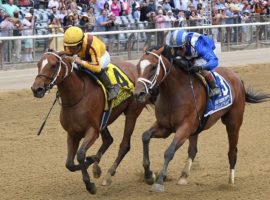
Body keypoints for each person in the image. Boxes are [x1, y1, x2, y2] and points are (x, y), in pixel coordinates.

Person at [63, 26, 120, 101]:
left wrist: (80, 61)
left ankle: (111, 88)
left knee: (94, 70)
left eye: (72, 47)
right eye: (68, 47)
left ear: (80, 44)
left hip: (102, 56)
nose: (69, 49)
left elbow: (97, 67)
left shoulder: (92, 44)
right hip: (86, 57)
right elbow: (67, 53)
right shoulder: (70, 43)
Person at [166, 29, 222, 97]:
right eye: (175, 48)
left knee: (197, 64)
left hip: (205, 53)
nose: (177, 52)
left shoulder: (199, 46)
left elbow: (214, 61)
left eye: (180, 49)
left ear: (186, 44)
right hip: (190, 53)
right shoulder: (177, 44)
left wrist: (201, 67)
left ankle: (214, 87)